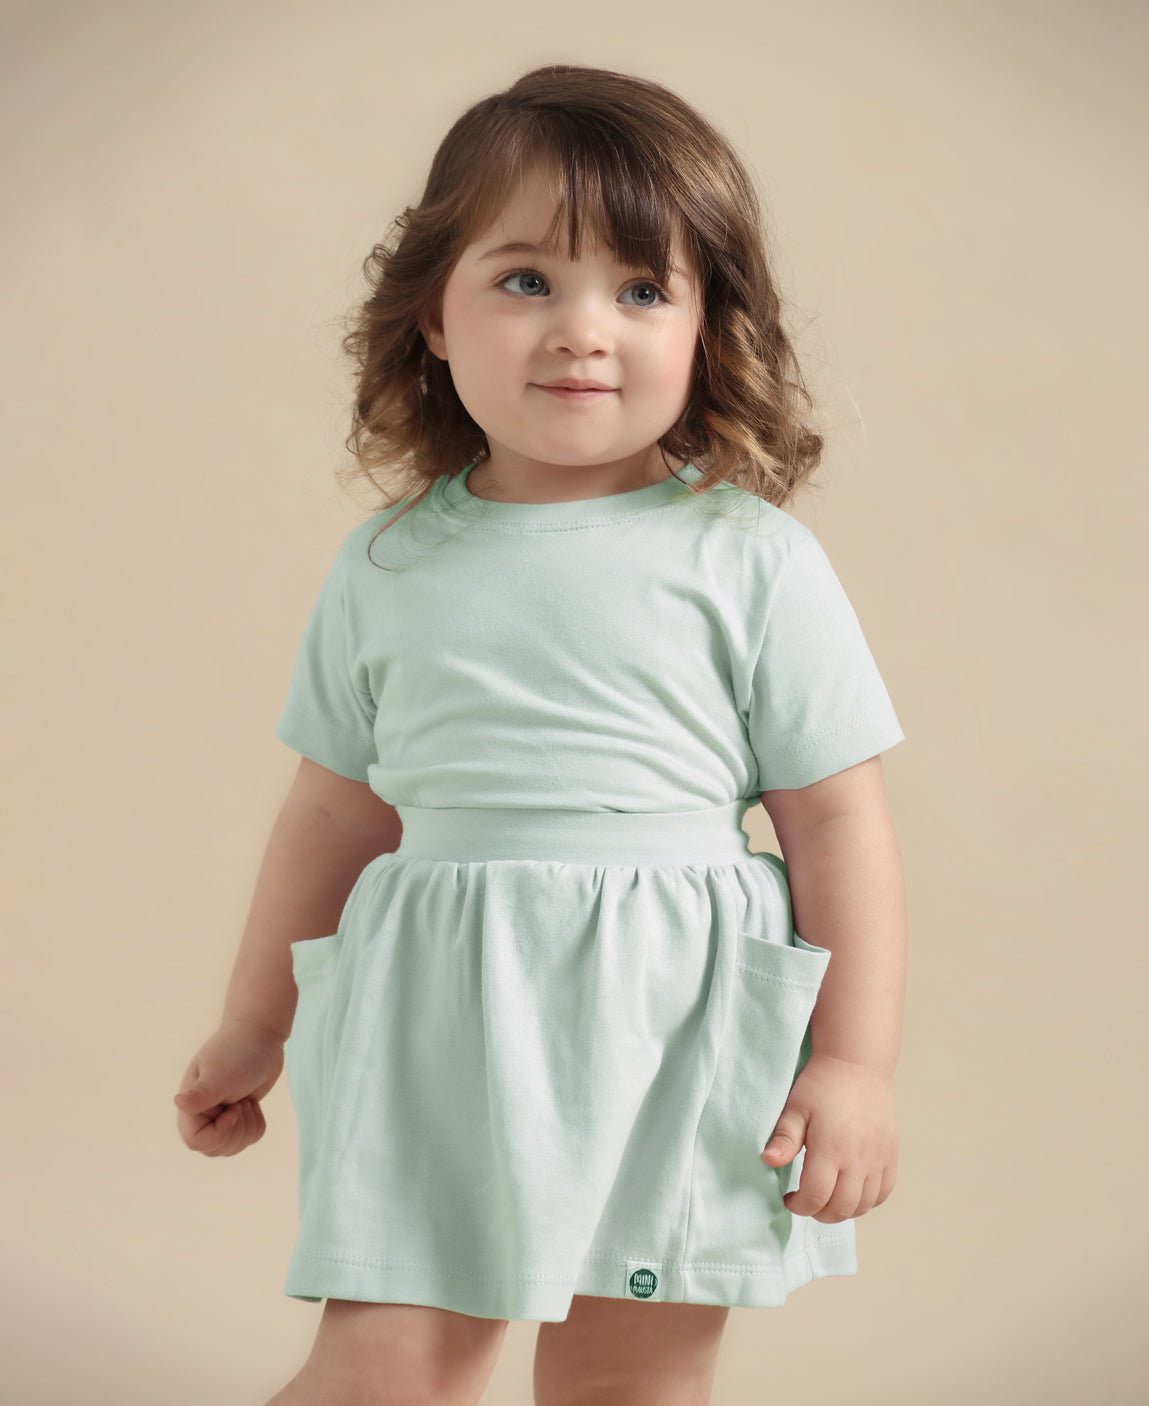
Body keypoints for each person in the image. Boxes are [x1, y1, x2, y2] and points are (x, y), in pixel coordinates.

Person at [174, 64, 908, 1406]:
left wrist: (854, 1061)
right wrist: (252, 1022)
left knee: (627, 1383)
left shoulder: (752, 559)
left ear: (708, 329)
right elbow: (332, 811)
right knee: (382, 1372)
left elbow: (836, 822)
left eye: (640, 290)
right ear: (434, 316)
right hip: (433, 1029)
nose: (582, 331)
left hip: (675, 1034)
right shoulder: (389, 564)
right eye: (526, 280)